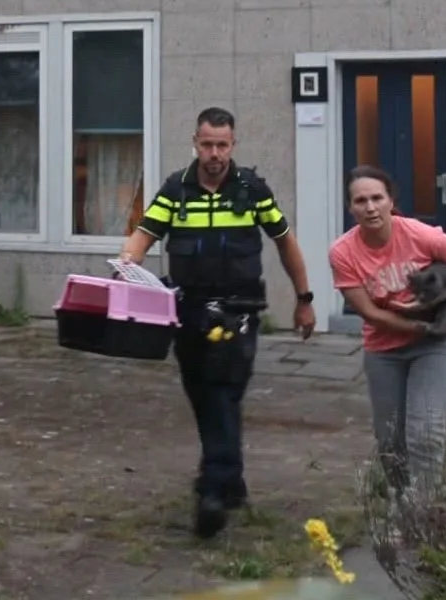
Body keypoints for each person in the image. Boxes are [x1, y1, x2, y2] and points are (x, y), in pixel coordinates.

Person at [118, 106, 318, 539]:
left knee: (223, 387)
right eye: (207, 144)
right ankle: (231, 478)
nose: (214, 154)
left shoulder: (252, 190)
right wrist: (126, 263)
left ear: (233, 144)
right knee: (203, 392)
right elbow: (144, 235)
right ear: (195, 143)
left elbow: (286, 243)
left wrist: (304, 299)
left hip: (238, 309)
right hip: (188, 311)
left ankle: (213, 488)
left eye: (222, 145)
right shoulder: (176, 189)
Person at [327, 164, 446, 496]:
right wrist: (417, 323)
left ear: (390, 201)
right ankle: (402, 504)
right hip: (384, 350)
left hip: (435, 346)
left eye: (377, 198)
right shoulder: (343, 252)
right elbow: (370, 313)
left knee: (425, 433)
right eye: (360, 201)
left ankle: (423, 509)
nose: (370, 207)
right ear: (350, 207)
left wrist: (437, 304)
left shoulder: (418, 234)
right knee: (390, 441)